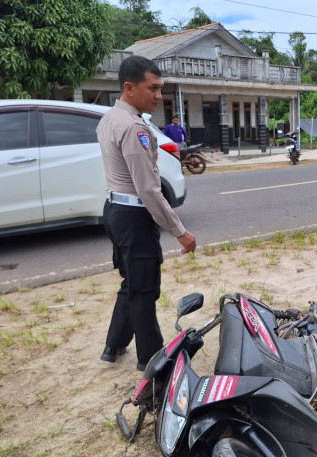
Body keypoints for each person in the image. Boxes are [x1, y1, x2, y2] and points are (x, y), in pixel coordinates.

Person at [97, 56, 197, 371]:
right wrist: (180, 231)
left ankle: (113, 345)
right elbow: (150, 190)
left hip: (116, 211)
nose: (158, 95)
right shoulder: (133, 127)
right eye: (152, 88)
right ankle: (153, 362)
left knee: (132, 281)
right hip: (134, 218)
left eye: (160, 88)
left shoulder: (110, 118)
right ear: (129, 88)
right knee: (144, 289)